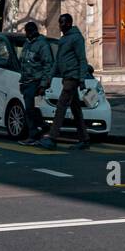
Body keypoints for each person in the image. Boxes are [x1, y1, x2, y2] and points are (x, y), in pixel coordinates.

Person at [39, 13, 91, 152]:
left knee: (61, 106)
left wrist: (81, 79)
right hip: (66, 77)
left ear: (69, 23)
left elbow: (82, 59)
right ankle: (84, 139)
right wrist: (48, 79)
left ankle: (52, 137)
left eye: (62, 22)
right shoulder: (63, 40)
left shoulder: (76, 38)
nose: (60, 25)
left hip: (72, 78)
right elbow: (57, 62)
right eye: (59, 22)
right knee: (76, 109)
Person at [19, 21, 54, 143]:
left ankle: (34, 134)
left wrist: (44, 84)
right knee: (30, 109)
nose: (28, 34)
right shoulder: (26, 44)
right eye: (27, 32)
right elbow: (22, 62)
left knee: (29, 109)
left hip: (36, 81)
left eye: (29, 32)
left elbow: (48, 65)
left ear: (34, 31)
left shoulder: (42, 45)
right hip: (26, 81)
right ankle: (42, 127)